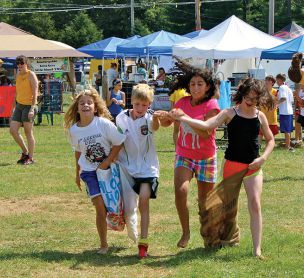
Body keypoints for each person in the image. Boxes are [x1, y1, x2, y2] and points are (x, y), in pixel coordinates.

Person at [170, 78, 275, 258]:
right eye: (248, 97)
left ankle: (257, 249)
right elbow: (207, 126)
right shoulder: (229, 113)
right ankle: (228, 237)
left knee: (255, 204)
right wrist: (184, 118)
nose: (250, 102)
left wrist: (263, 158)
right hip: (232, 165)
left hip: (253, 166)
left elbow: (271, 139)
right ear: (242, 95)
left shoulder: (260, 116)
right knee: (228, 207)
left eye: (255, 99)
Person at [164, 59, 220, 248]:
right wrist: (164, 117)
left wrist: (185, 117)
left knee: (205, 202)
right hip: (184, 154)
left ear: (208, 87)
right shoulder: (182, 102)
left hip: (206, 157)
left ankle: (208, 235)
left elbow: (206, 133)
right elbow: (170, 124)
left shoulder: (211, 105)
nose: (195, 88)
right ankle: (185, 232)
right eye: (192, 84)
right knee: (181, 191)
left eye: (200, 84)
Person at [64, 88, 124, 255]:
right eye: (82, 103)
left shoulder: (103, 124)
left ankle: (122, 222)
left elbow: (119, 142)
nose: (85, 105)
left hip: (108, 171)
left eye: (89, 103)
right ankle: (104, 244)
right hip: (89, 172)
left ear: (96, 107)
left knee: (114, 206)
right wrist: (77, 173)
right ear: (77, 108)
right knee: (99, 207)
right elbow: (78, 151)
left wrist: (107, 161)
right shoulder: (74, 130)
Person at [115, 84, 169, 258]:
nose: (140, 109)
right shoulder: (121, 118)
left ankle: (143, 244)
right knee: (130, 209)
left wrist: (161, 118)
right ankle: (131, 226)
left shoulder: (150, 118)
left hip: (147, 168)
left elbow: (157, 126)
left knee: (144, 200)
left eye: (144, 105)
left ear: (149, 105)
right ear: (132, 101)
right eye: (137, 104)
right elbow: (118, 140)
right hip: (127, 168)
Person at [9, 55, 38, 165]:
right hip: (19, 105)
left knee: (28, 132)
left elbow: (35, 93)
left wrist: (32, 108)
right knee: (13, 130)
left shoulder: (31, 75)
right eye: (18, 64)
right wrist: (13, 107)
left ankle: (30, 157)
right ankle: (25, 152)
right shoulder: (18, 75)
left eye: (22, 64)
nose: (20, 66)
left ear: (26, 64)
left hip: (29, 105)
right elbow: (16, 92)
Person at [276, 73, 294, 151]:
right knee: (288, 130)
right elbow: (292, 101)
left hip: (284, 111)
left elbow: (283, 98)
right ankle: (288, 145)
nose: (276, 81)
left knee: (286, 130)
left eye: (276, 80)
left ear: (279, 80)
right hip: (289, 111)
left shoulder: (282, 87)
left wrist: (276, 104)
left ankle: (287, 146)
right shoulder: (288, 88)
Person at [259, 75, 278, 143]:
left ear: (272, 82)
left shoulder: (276, 92)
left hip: (272, 117)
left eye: (268, 80)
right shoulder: (262, 92)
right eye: (266, 80)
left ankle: (270, 146)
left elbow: (276, 103)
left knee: (271, 134)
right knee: (260, 133)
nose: (266, 81)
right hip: (263, 115)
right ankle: (257, 147)